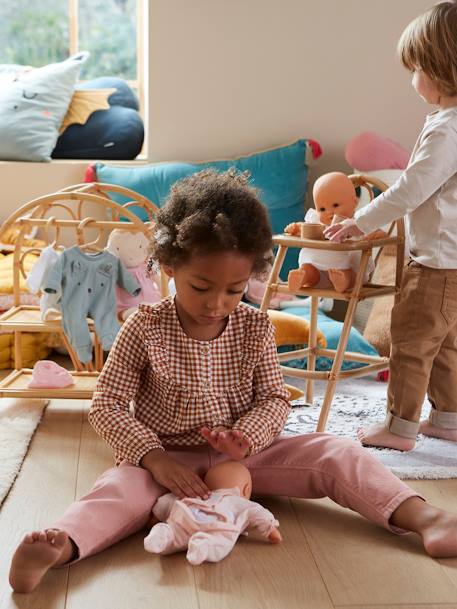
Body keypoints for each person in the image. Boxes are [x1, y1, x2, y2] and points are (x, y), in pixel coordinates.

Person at [8, 168, 457, 595]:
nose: (216, 304)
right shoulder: (143, 327)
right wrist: (154, 459)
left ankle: (422, 517)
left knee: (335, 451)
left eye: (234, 290)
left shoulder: (256, 327)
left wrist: (247, 437)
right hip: (165, 461)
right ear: (168, 267)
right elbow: (106, 405)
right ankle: (61, 546)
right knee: (117, 492)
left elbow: (274, 399)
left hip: (248, 457)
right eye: (200, 287)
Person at [325, 1, 457, 451]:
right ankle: (448, 418)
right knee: (445, 346)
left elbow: (409, 189)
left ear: (441, 68)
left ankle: (400, 427)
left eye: (416, 66)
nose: (412, 77)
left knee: (411, 342)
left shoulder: (446, 130)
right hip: (452, 263)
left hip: (435, 265)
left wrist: (360, 222)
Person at [144, 460, 281, 565]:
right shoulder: (240, 502)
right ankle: (204, 546)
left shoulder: (196, 493)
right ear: (246, 489)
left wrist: (156, 516)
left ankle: (163, 534)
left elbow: (168, 501)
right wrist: (271, 530)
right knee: (222, 540)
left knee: (175, 532)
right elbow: (259, 514)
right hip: (216, 526)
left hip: (186, 516)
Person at [285, 172, 375, 293]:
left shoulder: (357, 223)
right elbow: (307, 229)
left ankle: (343, 281)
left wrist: (373, 236)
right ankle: (303, 277)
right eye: (322, 209)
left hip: (345, 267)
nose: (329, 212)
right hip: (317, 267)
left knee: (352, 276)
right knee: (308, 269)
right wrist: (296, 228)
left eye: (335, 205)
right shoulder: (317, 222)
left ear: (354, 203)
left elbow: (376, 233)